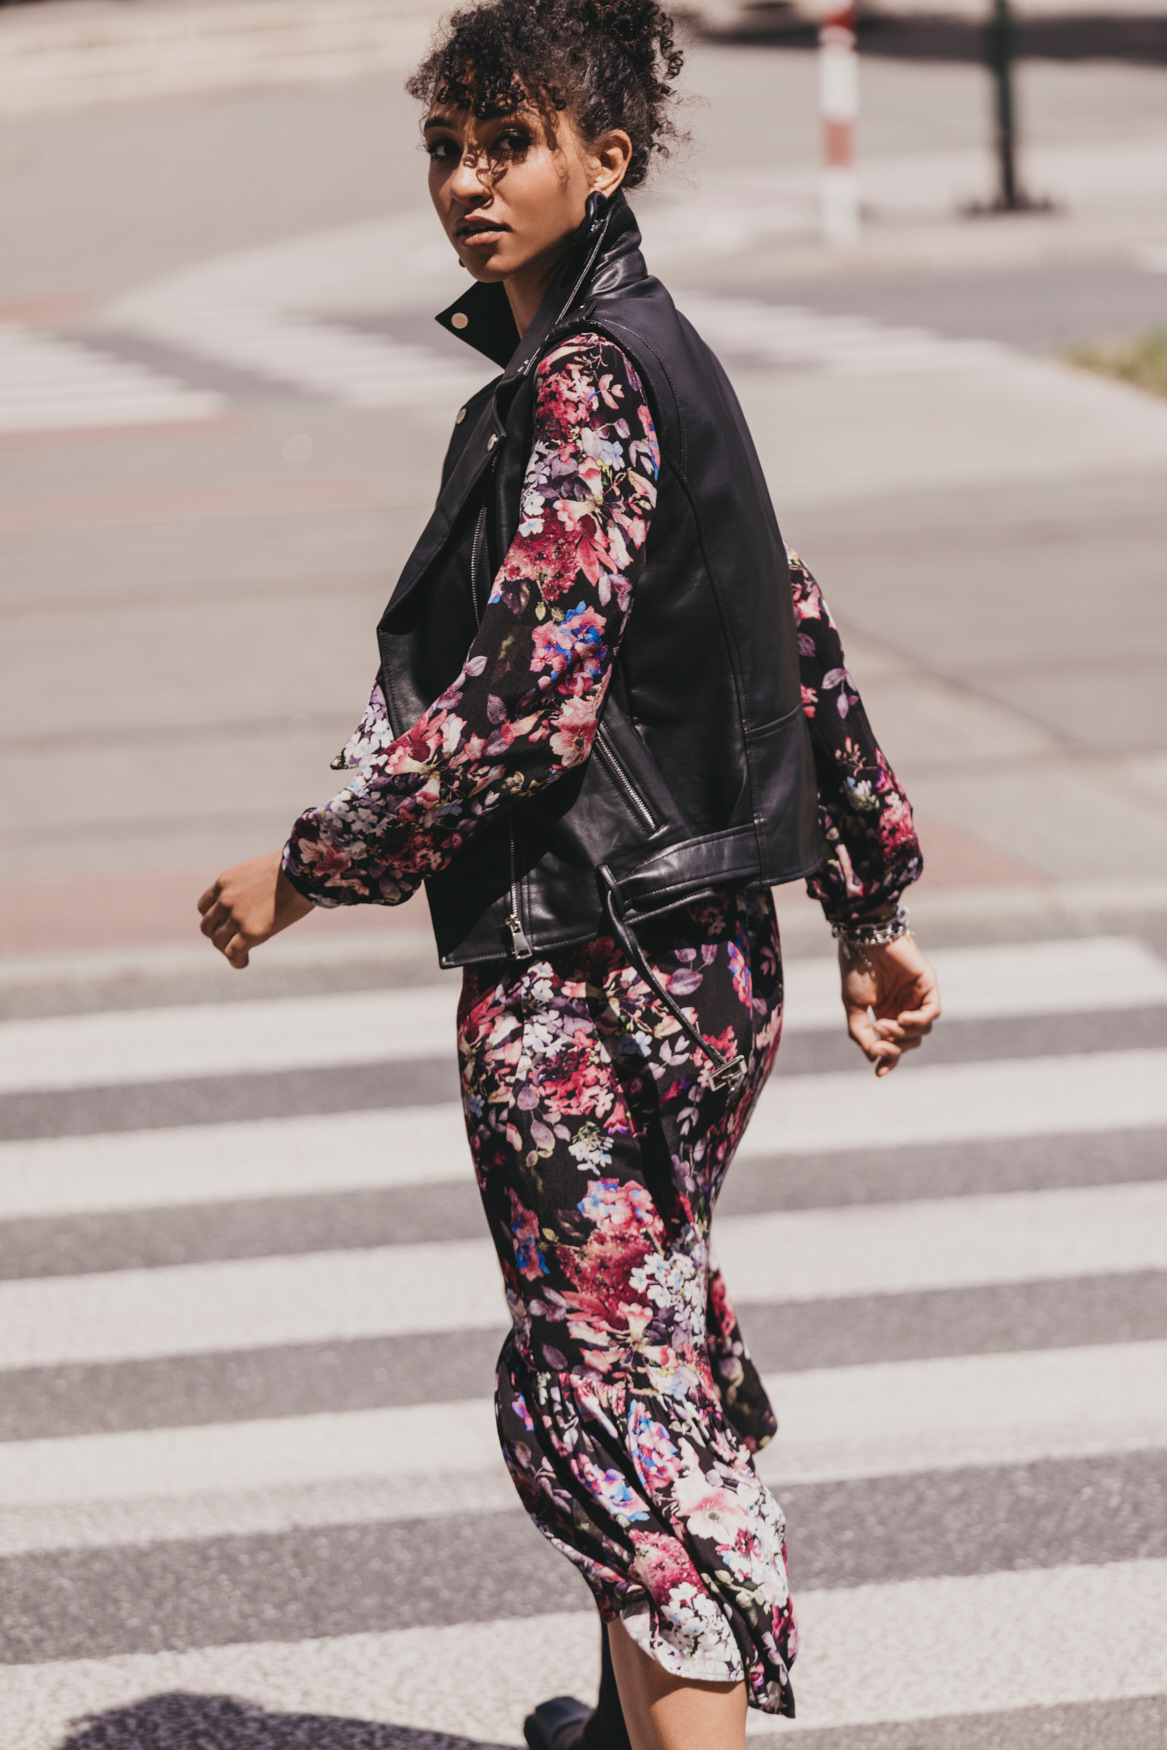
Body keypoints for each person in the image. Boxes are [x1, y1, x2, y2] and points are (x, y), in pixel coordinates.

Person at [198, 0, 942, 1743]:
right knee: (637, 1333)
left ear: (604, 161)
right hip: (704, 954)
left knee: (613, 1393)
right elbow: (790, 622)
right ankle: (626, 1725)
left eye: (508, 144)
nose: (468, 179)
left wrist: (307, 867)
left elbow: (533, 696)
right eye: (446, 146)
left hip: (595, 972)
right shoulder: (657, 355)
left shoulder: (588, 382)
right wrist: (869, 903)